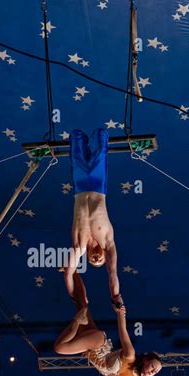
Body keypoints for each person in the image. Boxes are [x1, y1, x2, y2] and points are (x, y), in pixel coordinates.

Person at [54, 272, 169, 376]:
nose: (153, 372)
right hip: (98, 343)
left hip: (92, 351)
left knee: (81, 301)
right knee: (59, 348)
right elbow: (123, 331)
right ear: (145, 360)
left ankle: (72, 269)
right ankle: (78, 321)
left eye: (155, 372)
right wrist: (119, 308)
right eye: (153, 366)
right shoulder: (130, 355)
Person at [64, 128, 122, 308]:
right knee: (101, 143)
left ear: (87, 257)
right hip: (98, 185)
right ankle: (101, 132)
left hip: (80, 186)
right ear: (105, 255)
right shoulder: (108, 242)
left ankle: (78, 135)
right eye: (100, 261)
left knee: (76, 139)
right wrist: (115, 298)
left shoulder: (79, 245)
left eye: (92, 261)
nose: (96, 259)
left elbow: (68, 272)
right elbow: (112, 274)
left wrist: (75, 296)